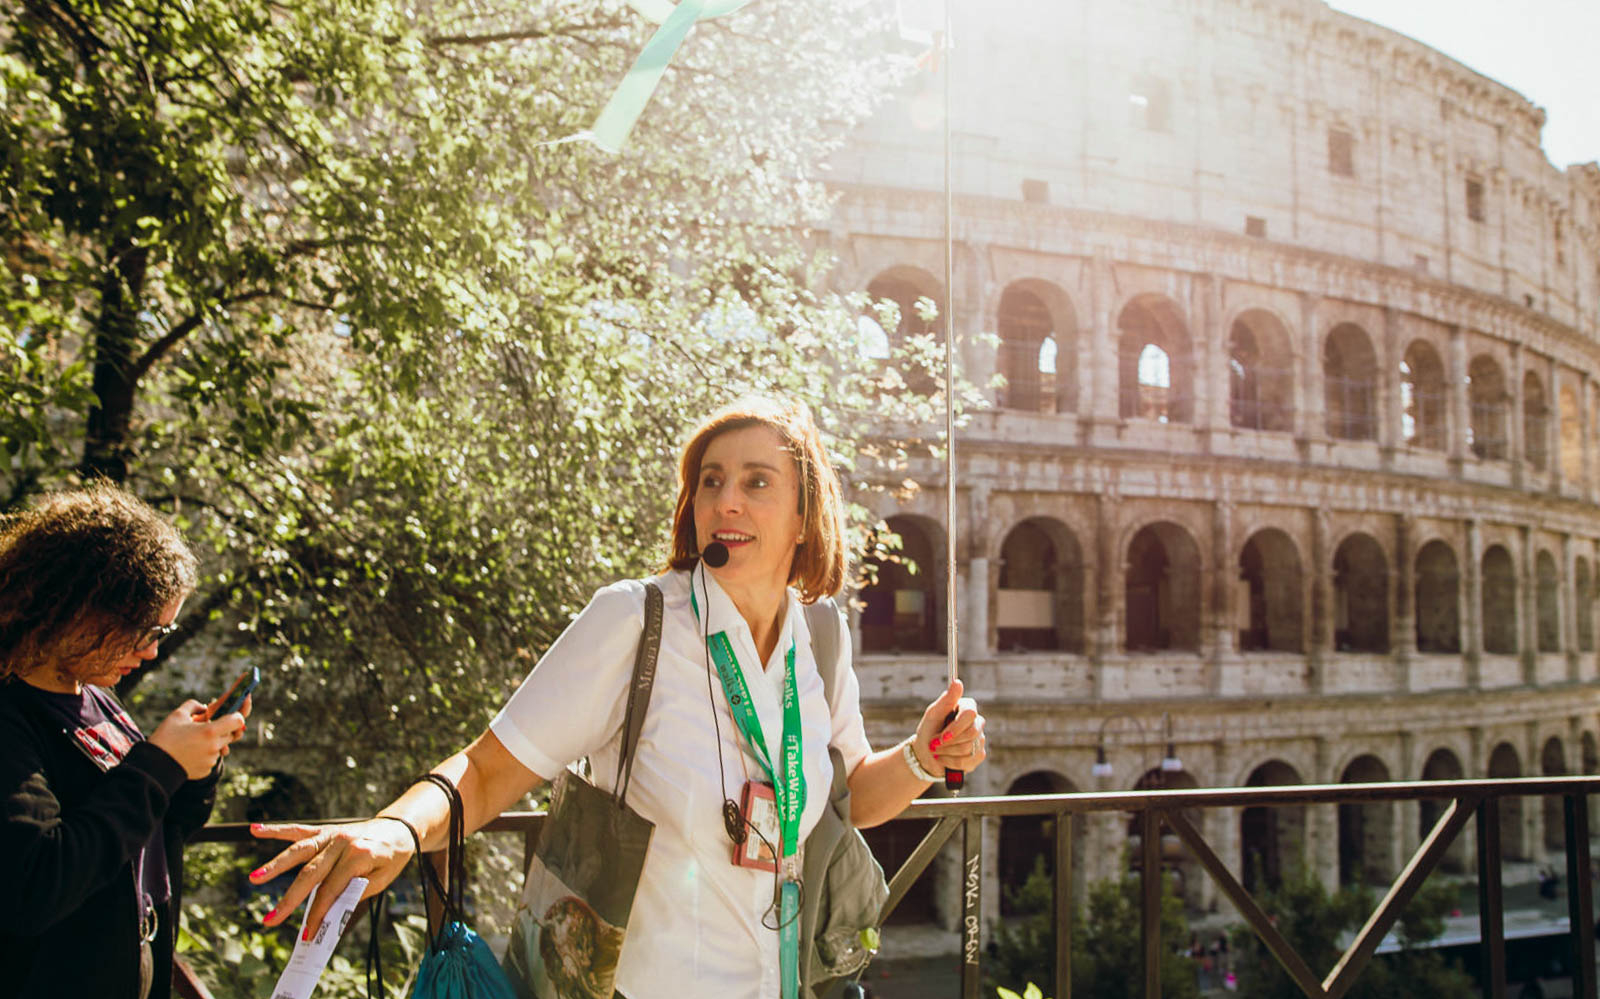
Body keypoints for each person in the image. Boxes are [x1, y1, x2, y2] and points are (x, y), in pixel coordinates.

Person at [251, 397, 988, 999]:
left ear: (805, 514)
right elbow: (483, 771)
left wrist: (924, 757)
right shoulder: (635, 620)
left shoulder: (822, 634)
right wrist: (397, 830)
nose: (725, 498)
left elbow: (849, 792)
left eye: (756, 481)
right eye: (710, 479)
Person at [0, 483, 252, 999]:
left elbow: (159, 829)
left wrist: (194, 767)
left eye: (164, 631)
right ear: (79, 609)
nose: (153, 652)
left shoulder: (95, 695)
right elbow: (33, 887)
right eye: (148, 631)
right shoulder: (10, 717)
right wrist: (158, 765)